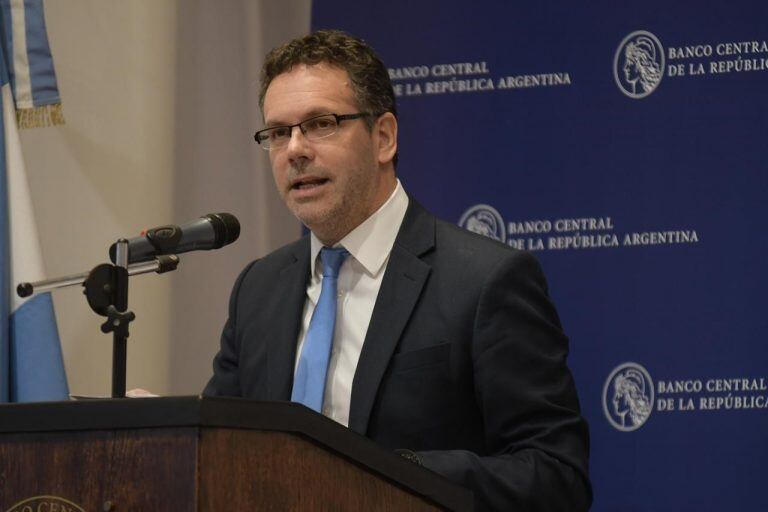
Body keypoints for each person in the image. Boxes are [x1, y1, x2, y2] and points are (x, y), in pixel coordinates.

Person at [204, 29, 591, 511]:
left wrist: (390, 475)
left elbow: (555, 474)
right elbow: (225, 450)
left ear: (383, 137)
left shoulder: (484, 281)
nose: (294, 150)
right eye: (278, 132)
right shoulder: (258, 289)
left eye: (321, 123)